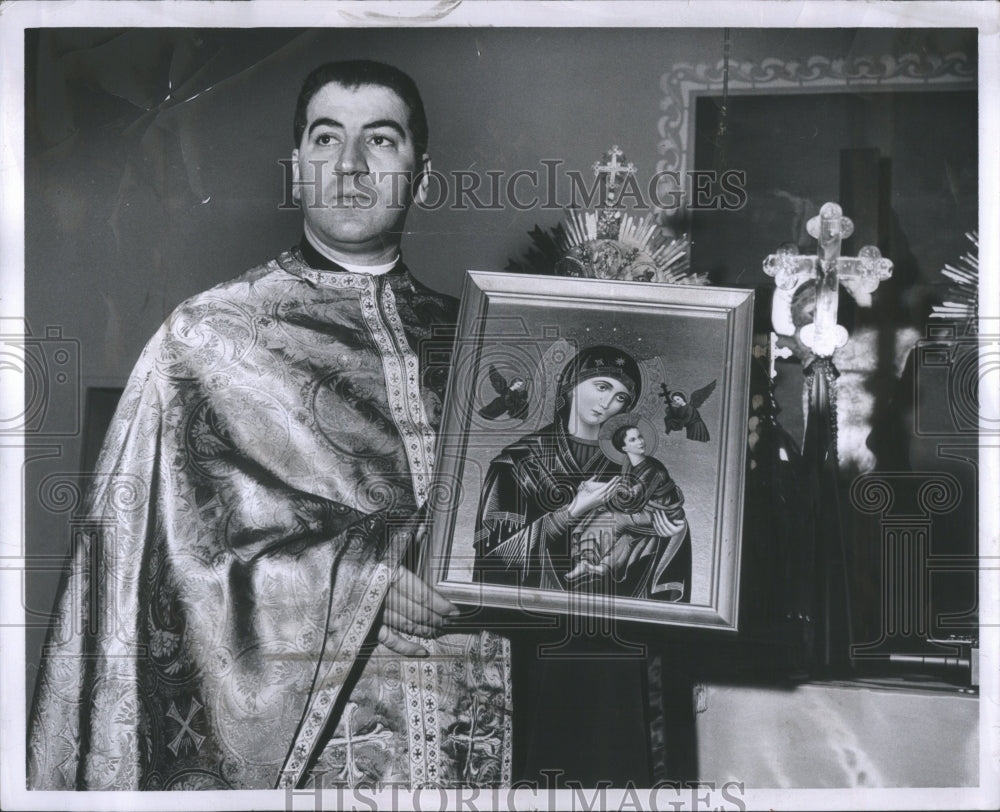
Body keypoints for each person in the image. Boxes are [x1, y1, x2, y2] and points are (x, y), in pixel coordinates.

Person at [27, 60, 510, 791]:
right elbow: (159, 575)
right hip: (309, 758)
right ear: (296, 168)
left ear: (423, 173)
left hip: (469, 732)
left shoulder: (476, 341)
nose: (349, 166)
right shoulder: (205, 340)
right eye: (326, 139)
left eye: (380, 141)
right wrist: (363, 582)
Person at [474, 345, 687, 594]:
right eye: (602, 387)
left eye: (620, 398)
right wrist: (573, 510)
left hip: (607, 607)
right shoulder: (519, 462)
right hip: (536, 606)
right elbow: (493, 558)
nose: (607, 403)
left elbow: (662, 521)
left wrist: (664, 532)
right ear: (571, 384)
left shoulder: (629, 463)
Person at [564, 424, 691, 601]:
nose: (640, 441)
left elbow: (632, 498)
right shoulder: (629, 465)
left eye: (640, 437)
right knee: (610, 523)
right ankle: (592, 563)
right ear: (624, 448)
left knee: (609, 518)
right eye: (633, 439)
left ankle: (588, 559)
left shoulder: (653, 468)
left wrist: (598, 488)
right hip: (643, 512)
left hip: (658, 514)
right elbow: (628, 493)